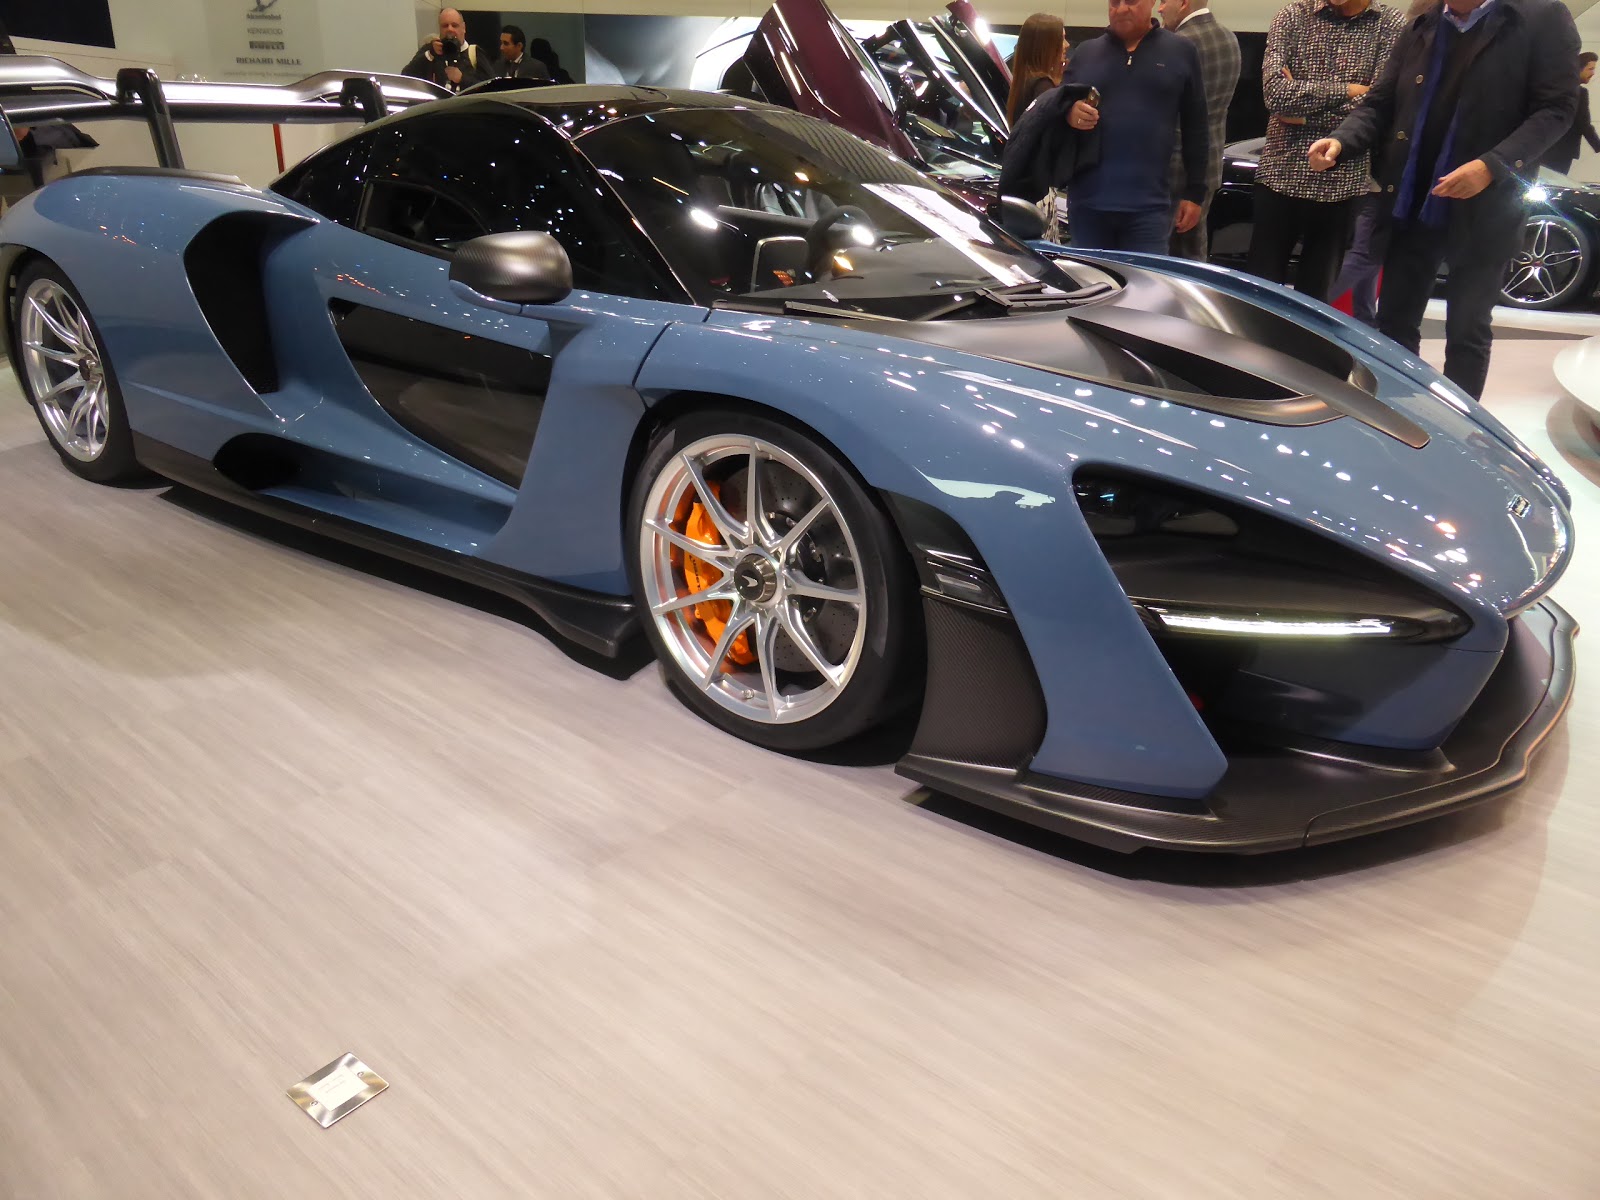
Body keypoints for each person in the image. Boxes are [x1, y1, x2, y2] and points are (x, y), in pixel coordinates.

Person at [1310, 0, 1581, 399]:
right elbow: (1380, 102)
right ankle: (1397, 415)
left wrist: (1492, 166)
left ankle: (1460, 429)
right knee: (1395, 324)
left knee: (1466, 331)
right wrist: (1341, 140)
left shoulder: (1540, 16)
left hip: (1487, 209)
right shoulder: (1424, 22)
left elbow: (1556, 109)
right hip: (1412, 201)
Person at [1247, 0, 1404, 301]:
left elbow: (1380, 105)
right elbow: (1276, 96)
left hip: (1342, 181)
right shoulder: (1292, 16)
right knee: (1259, 296)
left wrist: (1303, 115)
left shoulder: (1389, 24)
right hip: (1281, 173)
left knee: (1317, 301)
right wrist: (1349, 90)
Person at [1059, 0, 1211, 253]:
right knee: (1090, 278)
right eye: (1114, 2)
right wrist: (1069, 113)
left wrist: (1195, 192)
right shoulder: (1085, 53)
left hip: (1149, 210)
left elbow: (1196, 126)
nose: (1121, 9)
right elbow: (1055, 109)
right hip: (1088, 205)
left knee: (1145, 279)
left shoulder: (1181, 51)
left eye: (1130, 1)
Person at [1159, 0, 1241, 259]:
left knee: (1162, 262)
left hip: (1171, 169)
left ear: (1184, 3)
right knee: (1192, 256)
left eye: (1164, 1)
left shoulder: (1176, 46)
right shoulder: (1229, 39)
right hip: (1209, 168)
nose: (1159, 9)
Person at [402, 8, 489, 94]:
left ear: (463, 28)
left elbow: (490, 88)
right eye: (445, 26)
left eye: (454, 25)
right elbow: (406, 78)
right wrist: (430, 55)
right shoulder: (430, 50)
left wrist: (462, 79)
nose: (449, 29)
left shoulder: (474, 53)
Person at [1006, 14, 1068, 125]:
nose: (1067, 45)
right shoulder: (1042, 86)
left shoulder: (1024, 82)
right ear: (1045, 45)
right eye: (1061, 39)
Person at [1544, 51, 1599, 174]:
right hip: (1562, 152)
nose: (1593, 73)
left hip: (1543, 148)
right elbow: (1584, 125)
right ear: (1579, 68)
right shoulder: (1580, 93)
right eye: (1590, 69)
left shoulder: (1554, 87)